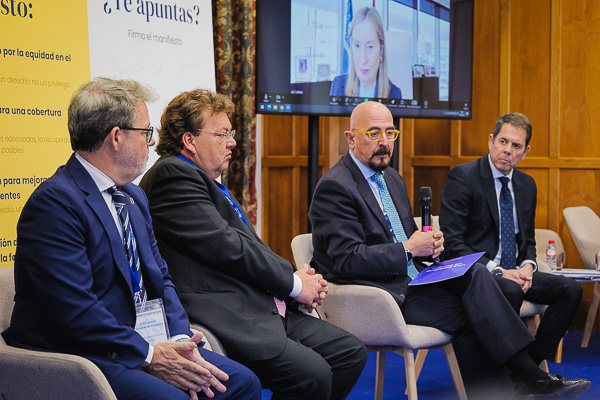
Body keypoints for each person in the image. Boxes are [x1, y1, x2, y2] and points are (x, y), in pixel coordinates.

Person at [308, 101, 590, 399]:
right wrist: (409, 248)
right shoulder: (336, 187)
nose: (384, 142)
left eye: (390, 133)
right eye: (373, 133)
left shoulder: (391, 178)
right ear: (351, 138)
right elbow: (347, 259)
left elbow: (409, 239)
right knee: (476, 309)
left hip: (413, 278)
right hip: (377, 293)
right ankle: (525, 378)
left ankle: (520, 380)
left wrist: (429, 247)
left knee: (487, 280)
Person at [1, 78, 261, 400]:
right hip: (81, 351)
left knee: (242, 382)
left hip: (142, 340)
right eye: (145, 132)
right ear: (116, 137)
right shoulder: (55, 203)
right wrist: (151, 355)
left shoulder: (133, 196)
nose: (152, 142)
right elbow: (76, 311)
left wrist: (179, 339)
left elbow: (162, 278)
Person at [139, 89, 367, 400]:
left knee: (349, 353)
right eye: (222, 134)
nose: (232, 142)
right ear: (189, 140)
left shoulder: (203, 179)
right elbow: (228, 248)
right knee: (313, 374)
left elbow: (248, 245)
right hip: (227, 315)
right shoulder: (172, 174)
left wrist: (293, 281)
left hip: (259, 306)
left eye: (231, 134)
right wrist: (294, 284)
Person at [439, 112, 583, 368]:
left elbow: (528, 239)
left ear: (525, 152)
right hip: (480, 272)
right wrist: (499, 271)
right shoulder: (463, 177)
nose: (507, 150)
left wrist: (528, 265)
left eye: (516, 146)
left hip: (517, 272)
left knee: (570, 290)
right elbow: (453, 245)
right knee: (510, 288)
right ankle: (512, 370)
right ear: (491, 140)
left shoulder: (527, 185)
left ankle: (528, 365)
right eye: (503, 141)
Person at [329, 7, 402, 99]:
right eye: (357, 45)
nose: (363, 59)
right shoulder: (337, 85)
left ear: (381, 50)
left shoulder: (395, 94)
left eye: (370, 47)